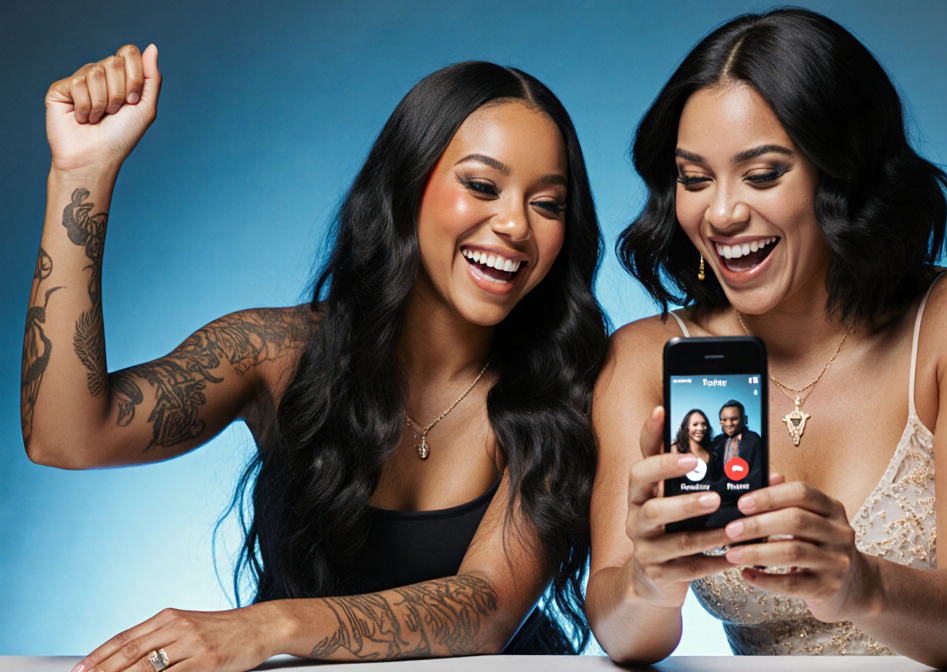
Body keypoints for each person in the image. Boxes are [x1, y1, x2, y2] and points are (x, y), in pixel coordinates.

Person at [22, 44, 607, 672]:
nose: (516, 225)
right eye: (482, 186)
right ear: (408, 186)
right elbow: (66, 438)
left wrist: (266, 626)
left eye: (547, 203)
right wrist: (81, 176)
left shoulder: (566, 388)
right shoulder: (273, 353)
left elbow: (485, 608)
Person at [586, 8, 947, 667]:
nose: (721, 213)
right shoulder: (645, 357)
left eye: (762, 174)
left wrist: (863, 584)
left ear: (843, 175)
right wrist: (649, 580)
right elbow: (629, 639)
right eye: (694, 178)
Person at [710, 400, 762, 484]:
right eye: (724, 420)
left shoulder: (753, 439)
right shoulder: (717, 441)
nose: (729, 424)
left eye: (734, 419)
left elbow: (758, 469)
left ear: (744, 419)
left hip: (746, 488)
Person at [670, 409, 716, 484]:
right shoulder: (676, 449)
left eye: (704, 424)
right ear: (687, 427)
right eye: (695, 424)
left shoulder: (712, 451)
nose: (700, 428)